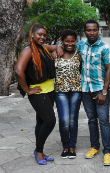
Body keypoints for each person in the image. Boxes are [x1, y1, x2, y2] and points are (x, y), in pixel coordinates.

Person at [57, 19, 110, 166]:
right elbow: (66, 46)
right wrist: (58, 46)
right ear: (85, 31)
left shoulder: (106, 47)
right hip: (85, 90)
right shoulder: (80, 45)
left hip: (100, 90)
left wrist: (104, 92)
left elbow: (109, 70)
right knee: (91, 120)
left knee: (104, 121)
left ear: (98, 30)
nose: (92, 32)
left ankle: (107, 151)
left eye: (94, 30)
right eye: (89, 30)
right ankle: (94, 146)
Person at [15, 24, 57, 165]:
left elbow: (57, 47)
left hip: (50, 91)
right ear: (32, 35)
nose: (42, 37)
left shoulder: (43, 49)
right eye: (39, 34)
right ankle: (38, 151)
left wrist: (57, 50)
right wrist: (27, 90)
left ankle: (40, 150)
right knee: (50, 121)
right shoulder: (28, 51)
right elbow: (18, 71)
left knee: (41, 121)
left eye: (44, 35)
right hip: (38, 93)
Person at [54, 29, 82, 159]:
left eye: (72, 41)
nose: (69, 43)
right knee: (64, 120)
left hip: (76, 91)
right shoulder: (56, 53)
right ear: (62, 41)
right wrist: (56, 46)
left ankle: (72, 146)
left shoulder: (79, 54)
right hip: (60, 92)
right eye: (67, 41)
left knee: (73, 120)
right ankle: (65, 146)